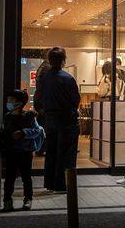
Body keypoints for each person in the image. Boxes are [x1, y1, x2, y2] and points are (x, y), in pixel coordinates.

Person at [41, 47, 80, 194]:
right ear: (63, 60)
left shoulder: (45, 77)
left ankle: (50, 183)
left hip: (50, 119)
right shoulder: (67, 78)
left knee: (51, 151)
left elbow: (40, 98)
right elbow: (75, 100)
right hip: (67, 120)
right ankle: (62, 184)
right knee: (66, 153)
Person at [1, 89, 44, 211]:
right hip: (11, 151)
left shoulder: (29, 117)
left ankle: (28, 199)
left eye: (11, 100)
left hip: (25, 152)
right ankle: (7, 200)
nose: (8, 102)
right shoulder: (7, 117)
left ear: (19, 103)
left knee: (26, 177)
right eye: (8, 100)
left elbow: (37, 131)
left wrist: (23, 133)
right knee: (9, 178)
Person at [33, 59, 51, 156]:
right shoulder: (47, 68)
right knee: (45, 127)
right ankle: (42, 148)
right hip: (43, 102)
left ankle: (40, 148)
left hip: (39, 100)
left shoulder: (42, 67)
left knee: (42, 125)